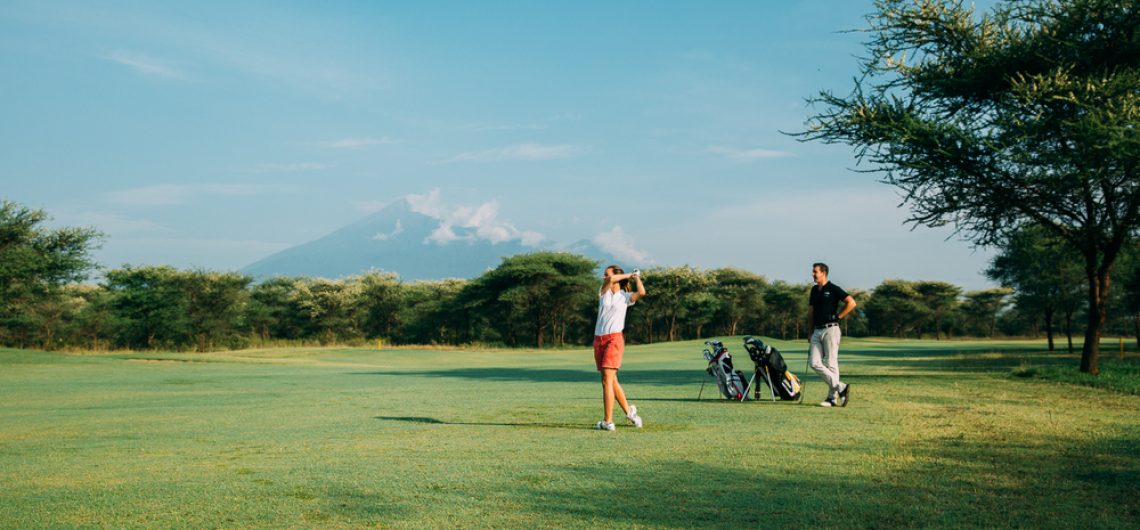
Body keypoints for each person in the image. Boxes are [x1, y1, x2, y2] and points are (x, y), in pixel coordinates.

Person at [593, 265, 646, 431]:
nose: (604, 277)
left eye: (606, 274)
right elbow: (609, 281)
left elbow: (642, 292)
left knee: (606, 380)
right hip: (599, 340)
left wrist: (636, 277)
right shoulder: (603, 292)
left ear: (618, 277)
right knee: (611, 380)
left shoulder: (625, 297)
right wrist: (630, 274)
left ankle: (607, 421)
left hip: (614, 340)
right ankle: (630, 412)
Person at [807, 262, 856, 407]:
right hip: (817, 330)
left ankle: (831, 398)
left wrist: (839, 316)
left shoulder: (833, 289)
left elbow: (851, 303)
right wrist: (809, 332)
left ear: (823, 273)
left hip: (831, 329)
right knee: (814, 363)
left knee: (831, 363)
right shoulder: (814, 290)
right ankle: (841, 387)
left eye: (815, 271)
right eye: (813, 271)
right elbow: (810, 312)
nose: (813, 274)